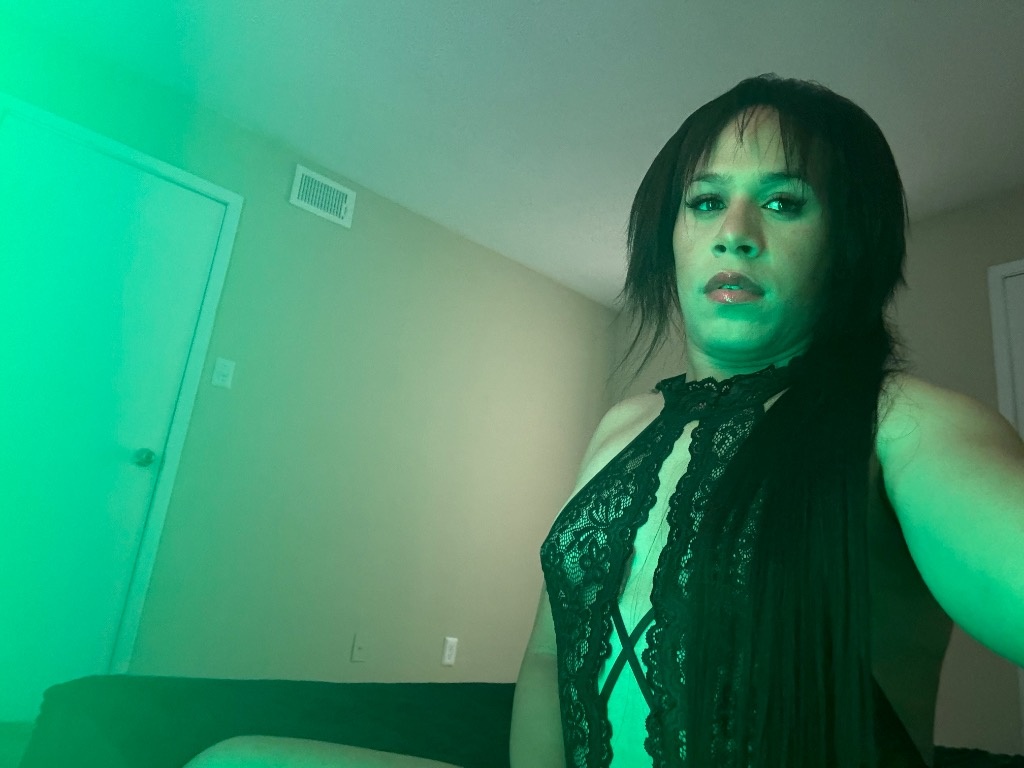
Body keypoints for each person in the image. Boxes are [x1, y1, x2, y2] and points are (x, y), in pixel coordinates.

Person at [511, 73, 957, 768]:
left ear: (846, 242)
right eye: (707, 201)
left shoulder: (902, 424)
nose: (734, 234)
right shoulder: (618, 429)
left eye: (783, 202)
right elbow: (547, 657)